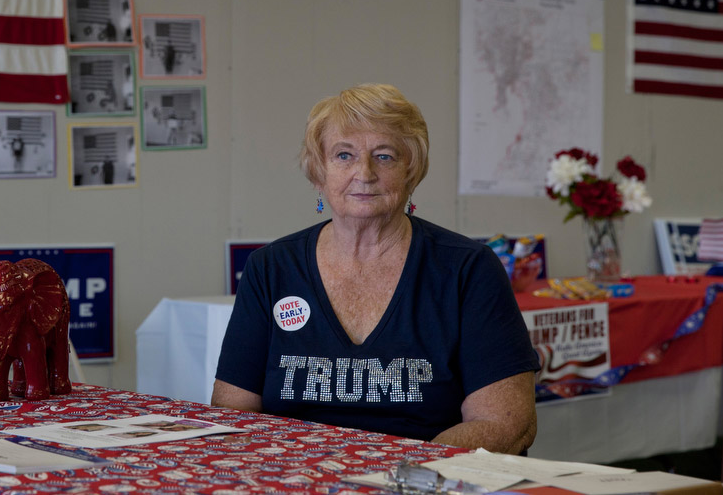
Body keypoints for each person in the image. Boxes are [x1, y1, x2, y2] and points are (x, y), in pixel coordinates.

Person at [211, 83, 538, 454]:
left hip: (426, 481)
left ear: (411, 171)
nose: (363, 173)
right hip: (297, 476)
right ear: (319, 172)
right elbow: (233, 414)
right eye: (343, 155)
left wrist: (399, 475)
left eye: (384, 156)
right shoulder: (270, 268)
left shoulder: (467, 270)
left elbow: (504, 424)